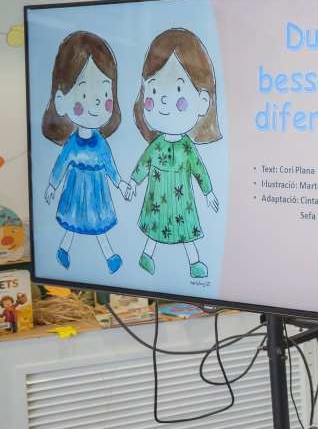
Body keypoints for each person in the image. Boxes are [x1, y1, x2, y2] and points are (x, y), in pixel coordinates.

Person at [124, 28, 222, 278]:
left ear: (202, 102)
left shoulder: (187, 147)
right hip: (157, 199)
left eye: (178, 94)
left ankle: (194, 262)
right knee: (155, 227)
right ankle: (147, 256)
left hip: (182, 201)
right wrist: (133, 183)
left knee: (185, 228)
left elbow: (199, 169)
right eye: (155, 93)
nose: (164, 103)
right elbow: (143, 164)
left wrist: (208, 192)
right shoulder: (156, 145)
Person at [41, 30, 128, 274]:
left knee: (98, 224)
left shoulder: (101, 142)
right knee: (73, 222)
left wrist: (120, 184)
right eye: (85, 95)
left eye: (103, 94)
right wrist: (51, 185)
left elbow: (110, 164)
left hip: (98, 189)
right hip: (76, 188)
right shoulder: (71, 143)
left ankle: (110, 256)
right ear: (62, 100)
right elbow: (61, 163)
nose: (96, 103)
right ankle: (63, 250)